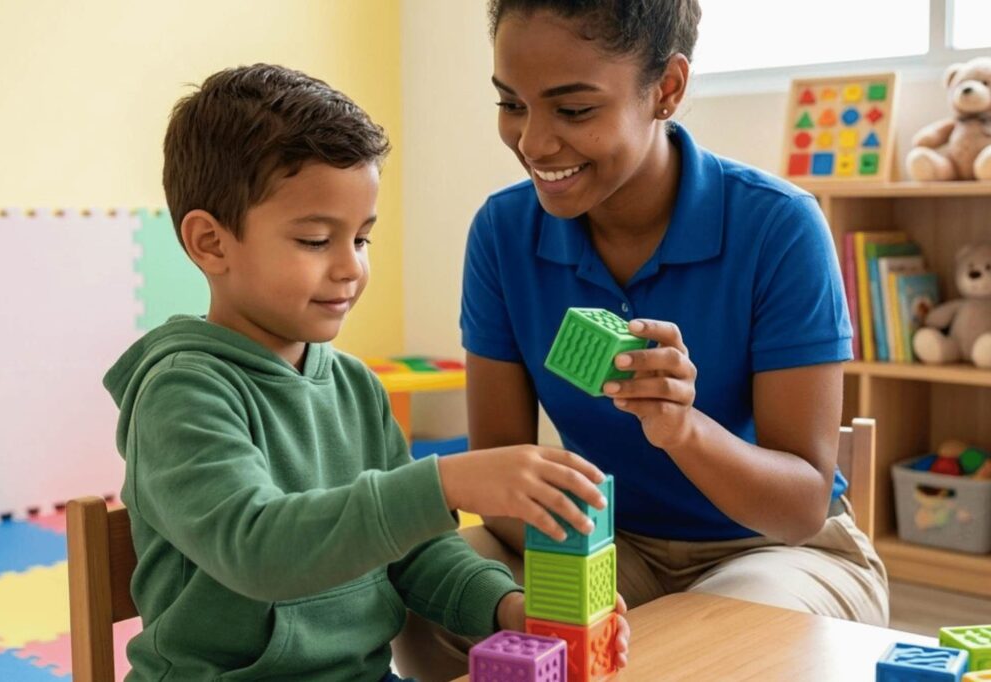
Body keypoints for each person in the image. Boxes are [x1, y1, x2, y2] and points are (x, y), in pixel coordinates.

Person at [393, 2, 888, 678]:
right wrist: (578, 569)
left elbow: (800, 509)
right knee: (427, 607)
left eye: (573, 111)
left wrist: (682, 429)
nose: (534, 143)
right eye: (513, 103)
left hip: (772, 554)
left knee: (710, 646)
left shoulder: (779, 227)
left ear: (667, 90)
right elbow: (499, 470)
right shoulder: (504, 234)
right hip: (608, 545)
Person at [103, 63, 628, 681]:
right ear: (211, 244)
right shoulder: (181, 392)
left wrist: (508, 607)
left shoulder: (352, 388)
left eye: (362, 240)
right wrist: (446, 485)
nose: (351, 268)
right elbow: (257, 548)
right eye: (316, 241)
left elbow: (416, 554)